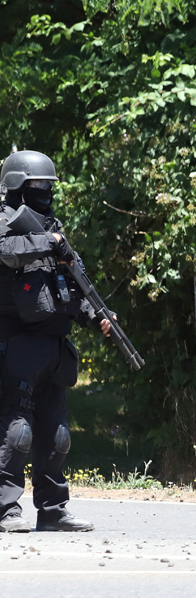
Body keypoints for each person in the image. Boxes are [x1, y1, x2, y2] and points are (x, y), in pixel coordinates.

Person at [0, 149, 115, 533]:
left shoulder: (52, 227)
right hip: (17, 346)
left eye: (49, 186)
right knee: (17, 434)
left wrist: (96, 315)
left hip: (55, 348)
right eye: (37, 186)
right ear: (17, 186)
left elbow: (69, 286)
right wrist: (50, 242)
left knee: (58, 436)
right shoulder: (7, 223)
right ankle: (5, 508)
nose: (45, 192)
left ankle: (53, 510)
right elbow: (7, 253)